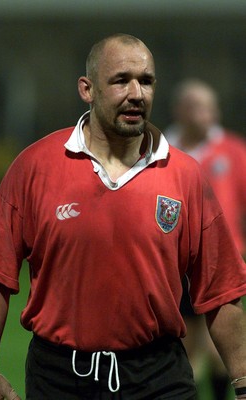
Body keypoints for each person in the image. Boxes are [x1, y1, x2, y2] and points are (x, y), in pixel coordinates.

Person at [0, 34, 246, 400]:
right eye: (121, 80)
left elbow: (222, 292)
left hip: (159, 377)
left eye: (146, 81)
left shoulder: (186, 175)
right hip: (60, 379)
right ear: (87, 89)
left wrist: (244, 384)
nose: (136, 93)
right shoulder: (34, 167)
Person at [164, 79, 246, 400]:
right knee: (183, 343)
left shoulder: (234, 151)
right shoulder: (161, 149)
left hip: (220, 261)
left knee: (219, 342)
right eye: (199, 107)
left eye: (212, 107)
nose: (208, 115)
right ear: (180, 111)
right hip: (174, 261)